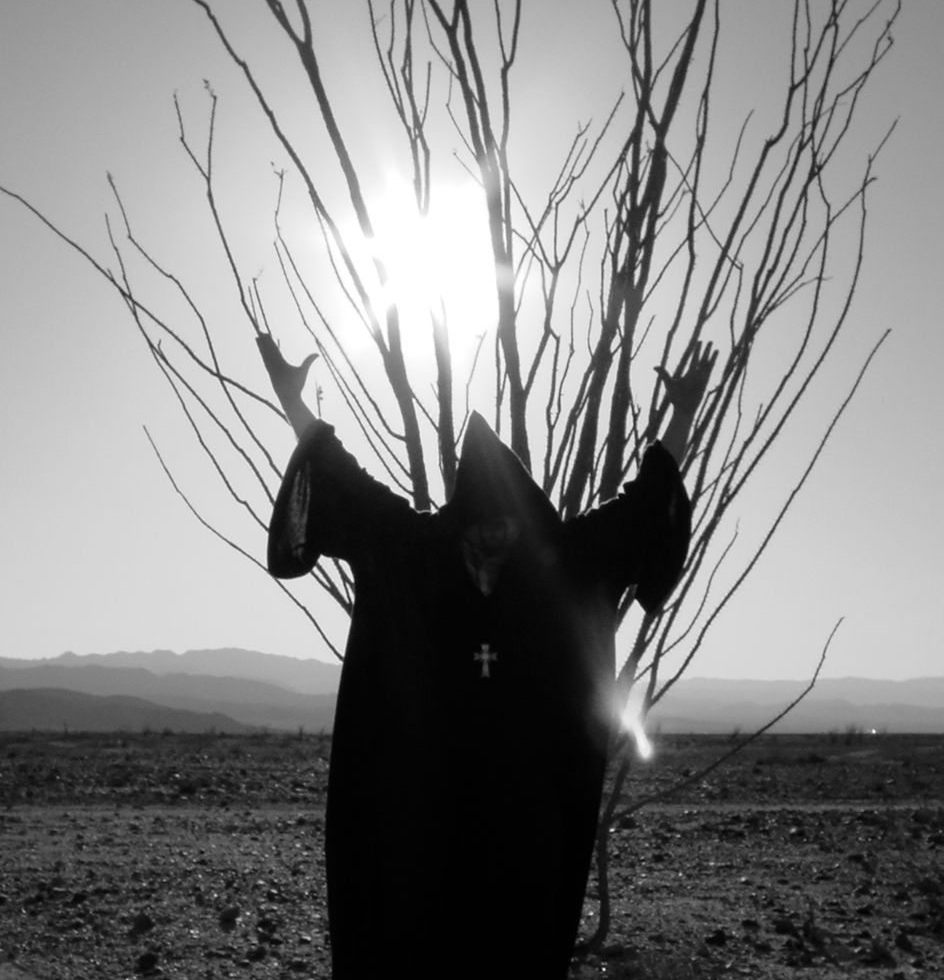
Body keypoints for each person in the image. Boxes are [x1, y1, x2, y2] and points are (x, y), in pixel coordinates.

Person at [256, 334, 710, 979]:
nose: (491, 540)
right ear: (458, 519)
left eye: (506, 527)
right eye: (478, 527)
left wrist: (683, 417)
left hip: (527, 819)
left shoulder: (567, 562)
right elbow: (338, 478)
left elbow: (644, 508)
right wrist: (293, 406)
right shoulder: (410, 549)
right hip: (419, 810)